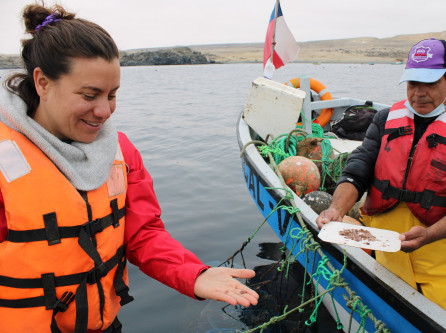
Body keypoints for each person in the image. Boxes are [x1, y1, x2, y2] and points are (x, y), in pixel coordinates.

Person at [0, 4, 258, 333]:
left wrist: (194, 274)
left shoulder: (122, 151)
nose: (104, 110)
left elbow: (142, 235)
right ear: (43, 83)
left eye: (112, 95)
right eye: (90, 95)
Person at [316, 38, 446, 324]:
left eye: (430, 83)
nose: (419, 93)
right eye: (413, 83)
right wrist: (336, 209)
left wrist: (430, 234)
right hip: (387, 248)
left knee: (439, 320)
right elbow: (359, 168)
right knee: (381, 310)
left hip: (441, 255)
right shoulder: (386, 118)